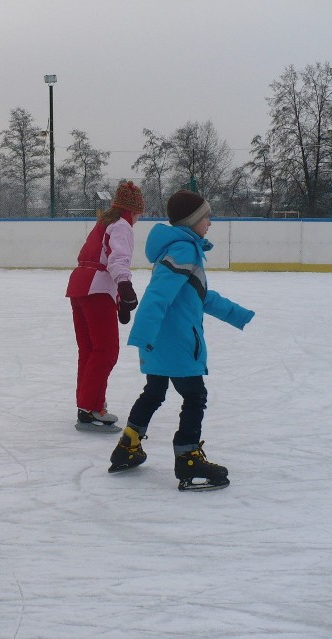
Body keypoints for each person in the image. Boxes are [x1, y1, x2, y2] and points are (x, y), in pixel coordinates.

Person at [108, 189, 255, 491]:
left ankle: (128, 445)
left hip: (163, 341)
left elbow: (200, 295)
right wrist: (142, 333)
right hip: (176, 342)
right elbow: (158, 294)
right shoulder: (184, 250)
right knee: (194, 395)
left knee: (154, 391)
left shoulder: (179, 249)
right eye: (206, 218)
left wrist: (236, 314)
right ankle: (188, 457)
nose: (210, 223)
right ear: (192, 222)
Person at [66, 181, 144, 433]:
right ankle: (91, 408)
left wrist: (119, 302)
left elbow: (100, 257)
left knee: (89, 349)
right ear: (133, 211)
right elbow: (117, 259)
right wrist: (125, 286)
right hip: (97, 289)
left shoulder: (103, 223)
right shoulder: (122, 226)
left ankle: (86, 406)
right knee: (106, 350)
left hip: (79, 287)